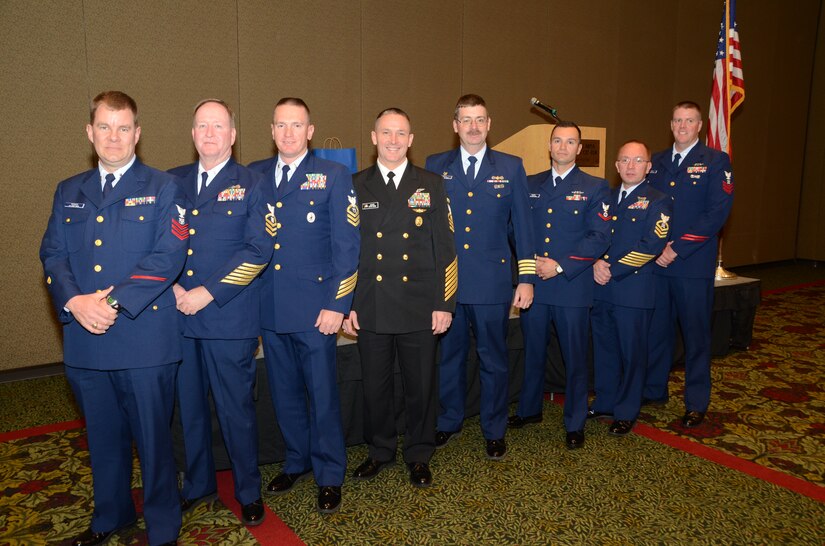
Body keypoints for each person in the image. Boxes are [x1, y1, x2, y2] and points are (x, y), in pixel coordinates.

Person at [40, 91, 185, 546]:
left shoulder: (163, 187)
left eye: (124, 128)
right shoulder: (69, 190)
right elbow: (53, 255)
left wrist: (113, 301)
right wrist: (75, 301)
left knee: (154, 444)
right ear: (90, 132)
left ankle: (162, 528)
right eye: (105, 127)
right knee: (102, 442)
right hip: (86, 340)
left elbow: (169, 255)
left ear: (138, 134)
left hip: (144, 340)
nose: (114, 137)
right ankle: (112, 516)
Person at [247, 97, 359, 514]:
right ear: (272, 130)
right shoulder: (255, 175)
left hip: (317, 310)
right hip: (269, 306)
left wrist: (338, 303)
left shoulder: (332, 174)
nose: (289, 133)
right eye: (281, 125)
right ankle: (297, 460)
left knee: (322, 394)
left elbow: (347, 247)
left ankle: (330, 472)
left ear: (310, 131)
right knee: (285, 392)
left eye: (297, 125)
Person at [169, 99, 272, 525]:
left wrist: (206, 293)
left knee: (235, 410)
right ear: (192, 134)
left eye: (218, 126)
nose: (209, 133)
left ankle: (248, 490)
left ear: (232, 134)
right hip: (177, 316)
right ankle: (198, 484)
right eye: (201, 126)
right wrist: (172, 287)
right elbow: (157, 243)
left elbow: (259, 249)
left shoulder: (253, 182)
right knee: (188, 408)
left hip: (228, 318)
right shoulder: (171, 181)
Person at [343, 108, 456, 487]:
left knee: (420, 384)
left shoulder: (432, 184)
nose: (393, 140)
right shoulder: (355, 184)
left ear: (411, 140)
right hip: (371, 302)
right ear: (373, 138)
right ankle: (380, 451)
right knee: (375, 385)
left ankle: (420, 452)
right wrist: (346, 304)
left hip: (420, 303)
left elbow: (446, 249)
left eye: (401, 133)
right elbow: (346, 250)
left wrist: (445, 303)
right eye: (385, 133)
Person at [425, 94, 535, 460]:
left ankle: (494, 428)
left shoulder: (512, 166)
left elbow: (523, 226)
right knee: (450, 358)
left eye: (480, 119)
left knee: (494, 359)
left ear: (489, 125)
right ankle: (449, 420)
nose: (473, 126)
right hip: (449, 285)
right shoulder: (434, 166)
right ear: (455, 125)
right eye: (466, 120)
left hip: (492, 284)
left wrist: (526, 277)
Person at [511, 121, 611, 449]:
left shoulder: (596, 187)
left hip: (572, 287)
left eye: (570, 142)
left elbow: (599, 237)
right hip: (535, 286)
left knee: (575, 358)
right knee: (533, 351)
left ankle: (575, 421)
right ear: (549, 146)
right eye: (557, 141)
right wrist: (531, 263)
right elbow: (516, 229)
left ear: (580, 149)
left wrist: (558, 265)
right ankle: (529, 410)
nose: (563, 147)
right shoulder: (529, 183)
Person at [644, 101, 734, 427]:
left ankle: (696, 402)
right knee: (657, 332)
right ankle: (654, 389)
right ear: (671, 124)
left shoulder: (714, 161)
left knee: (696, 337)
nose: (682, 126)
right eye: (678, 120)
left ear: (699, 126)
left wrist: (677, 248)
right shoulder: (655, 161)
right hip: (656, 265)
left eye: (689, 121)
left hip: (691, 265)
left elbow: (716, 214)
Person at [590, 140, 673, 436]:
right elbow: (592, 235)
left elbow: (652, 244)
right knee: (604, 350)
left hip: (633, 290)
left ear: (648, 167)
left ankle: (626, 411)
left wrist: (614, 268)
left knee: (632, 354)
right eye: (624, 160)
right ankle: (605, 402)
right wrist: (596, 261)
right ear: (616, 166)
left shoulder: (658, 200)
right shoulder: (605, 197)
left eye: (638, 161)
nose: (630, 166)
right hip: (601, 288)